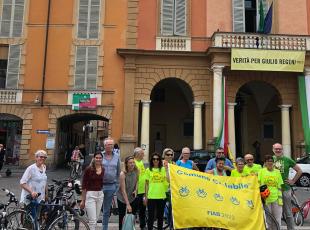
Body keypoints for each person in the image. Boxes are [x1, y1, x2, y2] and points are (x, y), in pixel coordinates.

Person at [273, 143, 302, 230]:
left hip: (285, 189)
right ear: (273, 149)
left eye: (279, 149)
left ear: (282, 150)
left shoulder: (287, 159)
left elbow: (299, 170)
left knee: (288, 212)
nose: (278, 150)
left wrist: (293, 181)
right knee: (275, 212)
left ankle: (291, 228)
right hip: (274, 190)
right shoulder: (270, 160)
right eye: (276, 149)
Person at [80, 152, 104, 230]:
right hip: (90, 195)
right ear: (93, 158)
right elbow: (84, 185)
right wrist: (83, 200)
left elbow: (102, 183)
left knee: (96, 219)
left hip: (100, 195)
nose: (98, 159)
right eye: (96, 157)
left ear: (102, 159)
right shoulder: (88, 169)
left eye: (100, 158)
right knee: (92, 220)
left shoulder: (103, 169)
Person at [144, 152, 169, 230]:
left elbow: (168, 180)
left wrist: (167, 170)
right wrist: (146, 196)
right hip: (151, 196)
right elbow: (146, 184)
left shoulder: (163, 169)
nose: (156, 160)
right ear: (151, 160)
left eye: (157, 159)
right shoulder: (148, 170)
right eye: (154, 159)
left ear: (159, 160)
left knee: (160, 216)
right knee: (151, 216)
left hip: (161, 196)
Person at [258, 155, 283, 228]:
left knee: (277, 219)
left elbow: (279, 186)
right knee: (268, 219)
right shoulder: (261, 171)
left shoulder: (277, 172)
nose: (270, 163)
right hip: (265, 198)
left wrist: (280, 200)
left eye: (271, 161)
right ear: (265, 163)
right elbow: (258, 183)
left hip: (276, 198)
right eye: (268, 161)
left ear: (273, 162)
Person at [101, 137, 121, 230]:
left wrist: (116, 185)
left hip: (111, 186)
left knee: (107, 209)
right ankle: (93, 225)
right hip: (99, 186)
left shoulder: (117, 156)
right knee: (96, 208)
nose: (109, 146)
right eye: (107, 145)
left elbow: (119, 172)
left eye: (111, 145)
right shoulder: (99, 156)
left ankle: (104, 227)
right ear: (104, 146)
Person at [116, 156, 139, 230]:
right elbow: (123, 190)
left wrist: (136, 189)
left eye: (133, 162)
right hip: (122, 197)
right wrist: (128, 204)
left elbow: (137, 181)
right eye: (130, 163)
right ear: (126, 164)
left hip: (132, 197)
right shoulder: (122, 174)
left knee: (132, 216)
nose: (132, 164)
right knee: (122, 217)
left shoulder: (137, 171)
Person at [134, 147, 147, 230]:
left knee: (142, 210)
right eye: (142, 154)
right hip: (136, 190)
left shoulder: (141, 162)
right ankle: (132, 226)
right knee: (134, 210)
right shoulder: (133, 162)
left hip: (143, 190)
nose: (143, 155)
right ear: (138, 154)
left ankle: (142, 226)